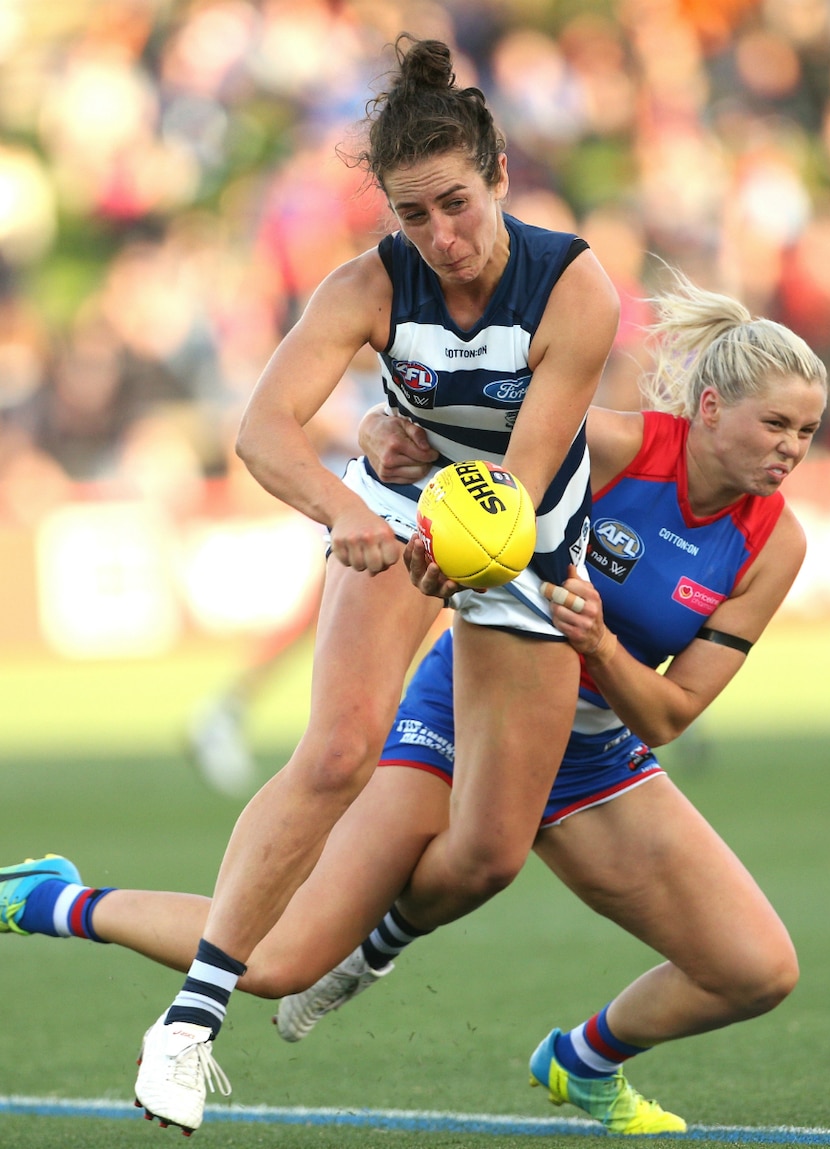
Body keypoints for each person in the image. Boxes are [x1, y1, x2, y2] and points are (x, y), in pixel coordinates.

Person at [0, 272, 827, 1134]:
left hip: (594, 752)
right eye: (775, 424)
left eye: (806, 430)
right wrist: (375, 430)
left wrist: (602, 646)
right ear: (706, 409)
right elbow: (448, 449)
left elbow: (670, 713)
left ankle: (580, 1061)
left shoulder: (776, 542)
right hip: (464, 717)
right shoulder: (613, 448)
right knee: (281, 958)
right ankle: (51, 900)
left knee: (758, 970)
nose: (791, 449)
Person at [130, 33, 619, 1133]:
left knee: (489, 851)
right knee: (339, 749)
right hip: (406, 510)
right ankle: (188, 1025)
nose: (442, 238)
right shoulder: (368, 284)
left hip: (522, 531)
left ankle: (362, 955)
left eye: (455, 203)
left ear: (498, 173)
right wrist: (353, 509)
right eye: (413, 215)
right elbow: (261, 429)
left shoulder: (573, 285)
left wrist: (429, 514)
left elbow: (521, 483)